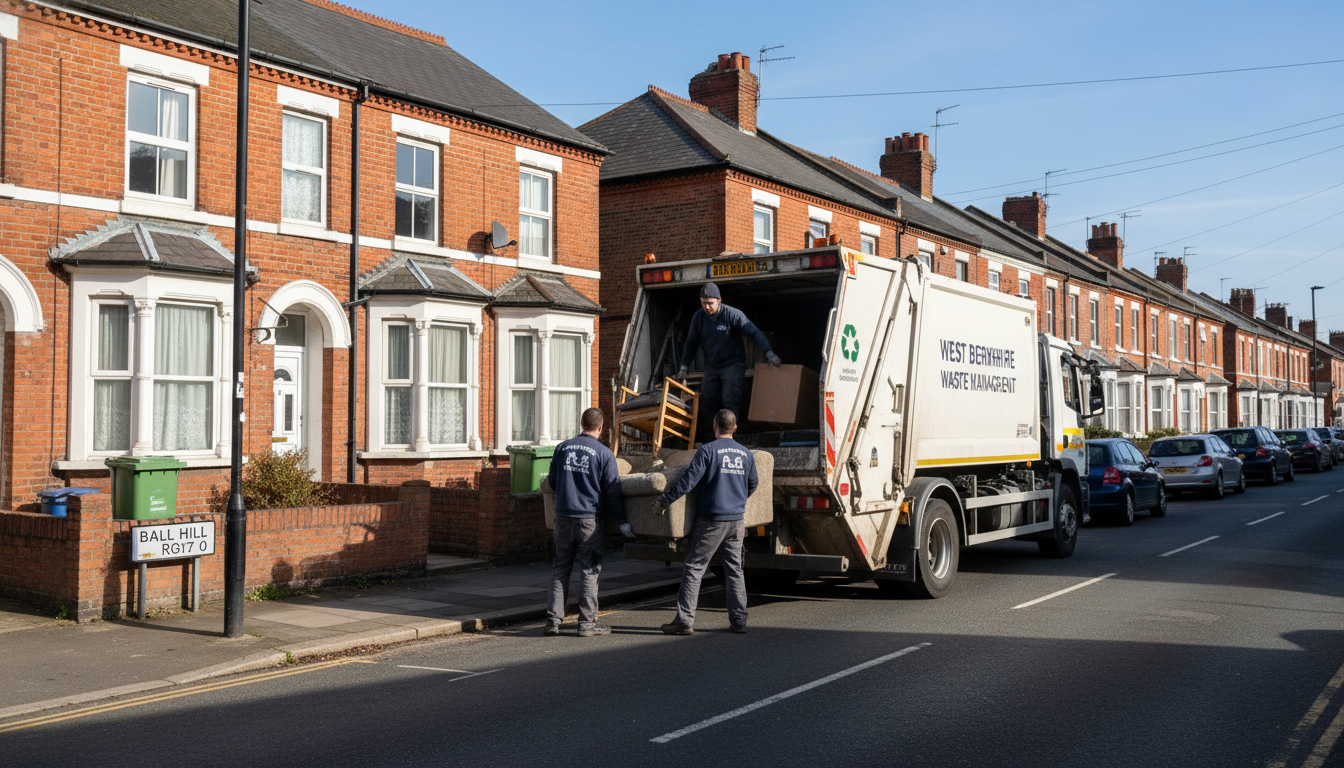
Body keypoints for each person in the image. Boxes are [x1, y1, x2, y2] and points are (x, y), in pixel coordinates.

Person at [658, 409, 757, 635]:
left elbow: (688, 481)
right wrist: (737, 500)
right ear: (735, 428)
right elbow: (753, 483)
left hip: (711, 520)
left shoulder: (708, 451)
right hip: (736, 521)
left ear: (714, 426)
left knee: (694, 567)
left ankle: (684, 621)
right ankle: (739, 621)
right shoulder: (746, 454)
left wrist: (665, 501)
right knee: (734, 571)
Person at [545, 407, 633, 637]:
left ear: (581, 423)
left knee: (560, 569)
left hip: (563, 518)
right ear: (601, 428)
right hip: (589, 521)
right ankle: (586, 624)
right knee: (589, 571)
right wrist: (623, 521)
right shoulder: (604, 454)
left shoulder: (562, 448)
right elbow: (613, 491)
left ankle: (553, 621)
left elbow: (552, 481)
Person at [677, 282, 780, 441]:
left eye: (710, 303)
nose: (707, 307)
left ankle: (730, 439)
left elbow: (754, 333)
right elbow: (691, 342)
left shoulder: (732, 315)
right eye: (704, 303)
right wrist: (684, 367)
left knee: (729, 402)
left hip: (733, 364)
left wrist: (769, 354)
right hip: (712, 367)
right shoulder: (699, 318)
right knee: (709, 402)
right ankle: (710, 441)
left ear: (719, 301)